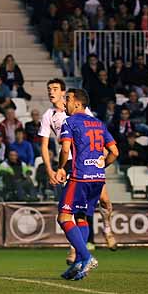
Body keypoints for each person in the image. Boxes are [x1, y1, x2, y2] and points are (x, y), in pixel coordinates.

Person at [38, 78, 119, 260]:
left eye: (55, 89)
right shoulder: (49, 115)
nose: (51, 92)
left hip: (86, 160)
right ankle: (76, 250)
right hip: (68, 163)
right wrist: (51, 170)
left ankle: (107, 229)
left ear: (64, 93)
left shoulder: (80, 110)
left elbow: (94, 134)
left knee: (103, 202)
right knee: (73, 210)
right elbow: (44, 145)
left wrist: (102, 158)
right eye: (49, 88)